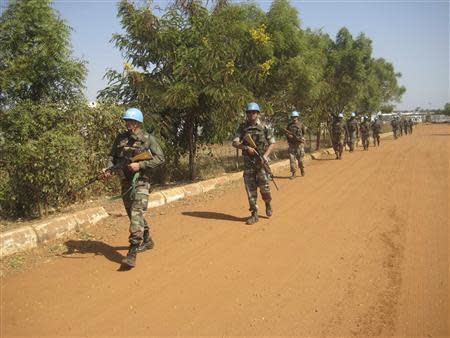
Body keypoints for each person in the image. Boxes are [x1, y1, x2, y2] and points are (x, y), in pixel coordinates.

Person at [101, 108, 165, 268]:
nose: (127, 124)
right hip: (125, 181)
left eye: (130, 121)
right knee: (132, 214)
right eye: (126, 121)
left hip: (142, 181)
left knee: (137, 213)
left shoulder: (148, 139)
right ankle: (147, 239)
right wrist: (108, 169)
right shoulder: (120, 139)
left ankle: (132, 252)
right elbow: (112, 157)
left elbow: (160, 158)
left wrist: (141, 164)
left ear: (138, 123)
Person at [232, 102, 275, 225]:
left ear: (257, 113)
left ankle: (267, 203)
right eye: (249, 112)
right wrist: (246, 148)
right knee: (250, 189)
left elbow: (272, 143)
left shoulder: (265, 127)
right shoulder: (242, 128)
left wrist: (266, 156)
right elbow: (234, 142)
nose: (251, 115)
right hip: (248, 163)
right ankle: (254, 214)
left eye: (253, 112)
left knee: (265, 187)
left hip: (261, 163)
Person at [285, 110, 306, 178]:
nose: (294, 118)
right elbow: (286, 133)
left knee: (300, 160)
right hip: (291, 145)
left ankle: (302, 169)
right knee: (292, 160)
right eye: (293, 117)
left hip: (299, 145)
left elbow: (304, 133)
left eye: (295, 117)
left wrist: (300, 138)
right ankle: (293, 173)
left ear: (297, 117)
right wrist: (289, 136)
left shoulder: (301, 125)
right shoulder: (289, 126)